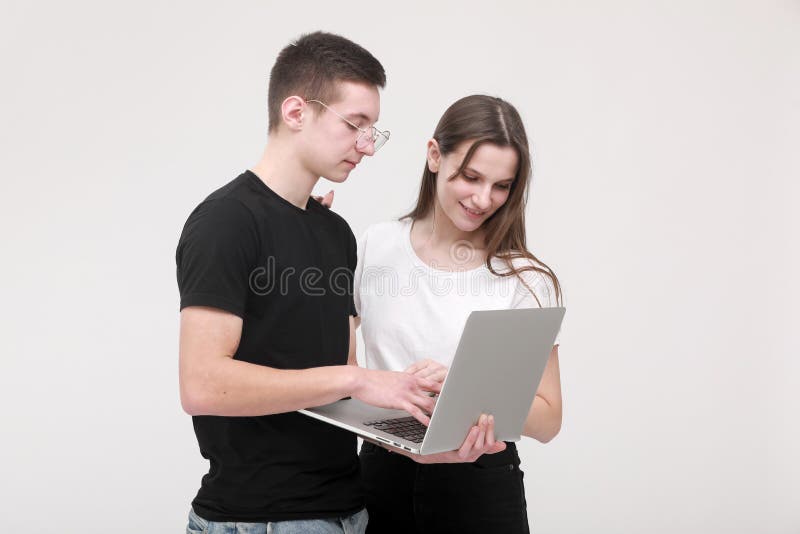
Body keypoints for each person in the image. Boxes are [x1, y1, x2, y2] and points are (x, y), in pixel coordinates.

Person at [175, 33, 502, 534]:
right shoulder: (225, 222)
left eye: (373, 130)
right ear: (295, 112)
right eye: (355, 125)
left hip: (349, 512)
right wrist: (357, 378)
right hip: (258, 520)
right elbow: (201, 385)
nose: (367, 146)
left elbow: (339, 389)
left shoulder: (335, 232)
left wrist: (419, 447)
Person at [352, 95, 564, 533]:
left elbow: (548, 419)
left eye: (502, 185)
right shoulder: (376, 246)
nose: (484, 199)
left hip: (481, 486)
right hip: (382, 471)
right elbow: (341, 375)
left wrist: (467, 391)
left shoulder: (525, 278)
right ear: (434, 156)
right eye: (471, 176)